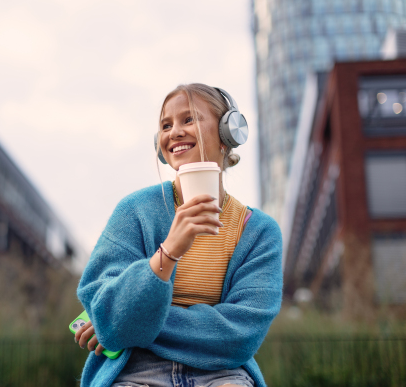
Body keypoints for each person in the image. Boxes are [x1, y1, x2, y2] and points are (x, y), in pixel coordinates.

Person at [74, 83, 283, 387]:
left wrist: (134, 324)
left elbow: (239, 337)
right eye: (165, 125)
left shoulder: (259, 232)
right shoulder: (134, 211)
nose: (174, 132)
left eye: (189, 119)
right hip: (135, 370)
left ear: (228, 135)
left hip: (222, 372)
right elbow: (106, 308)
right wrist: (169, 251)